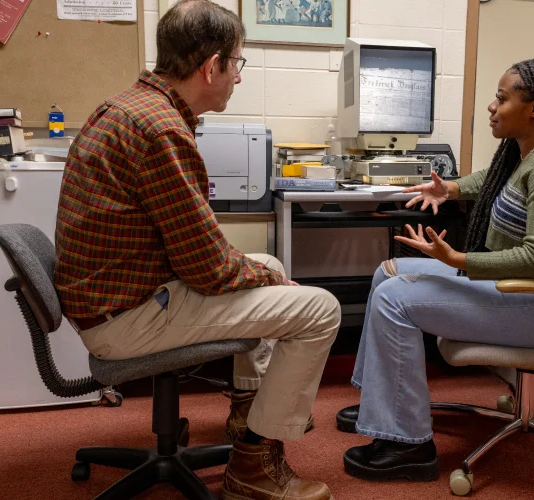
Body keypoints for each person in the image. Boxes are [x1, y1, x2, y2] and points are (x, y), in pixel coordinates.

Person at [53, 1, 340, 499]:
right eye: (238, 64)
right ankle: (253, 465)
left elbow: (200, 251)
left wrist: (264, 274)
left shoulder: (131, 106)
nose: (238, 77)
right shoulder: (162, 130)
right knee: (319, 309)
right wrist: (274, 282)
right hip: (126, 317)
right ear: (212, 66)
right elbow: (207, 268)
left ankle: (249, 416)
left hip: (113, 297)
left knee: (268, 263)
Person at [336, 58, 534, 482]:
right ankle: (380, 407)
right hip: (514, 292)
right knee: (387, 272)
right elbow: (494, 181)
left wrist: (458, 260)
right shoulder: (528, 154)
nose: (492, 107)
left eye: (502, 97)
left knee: (393, 299)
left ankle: (409, 445)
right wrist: (452, 188)